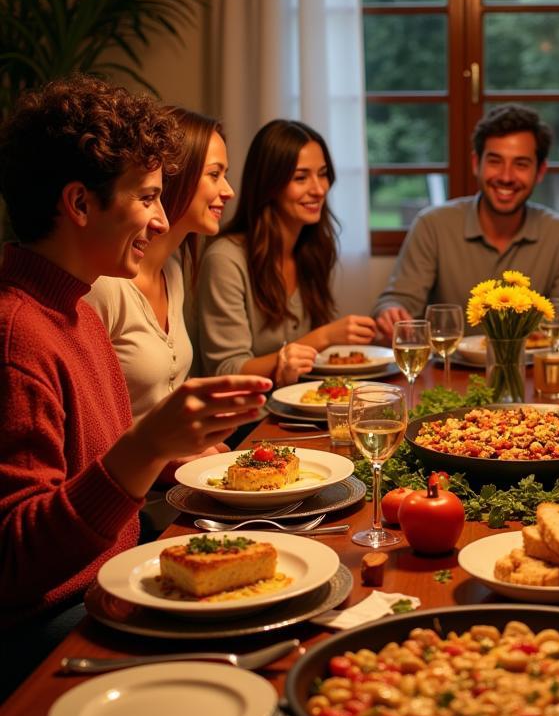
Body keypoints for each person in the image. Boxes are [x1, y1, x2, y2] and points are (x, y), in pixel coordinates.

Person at [0, 76, 270, 646]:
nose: (162, 220)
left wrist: (169, 451)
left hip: (116, 575)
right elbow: (14, 563)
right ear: (78, 203)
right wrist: (148, 446)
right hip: (57, 621)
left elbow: (95, 464)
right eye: (146, 197)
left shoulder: (76, 308)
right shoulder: (17, 336)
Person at [372, 104, 559, 338]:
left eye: (521, 164)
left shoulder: (558, 232)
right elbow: (398, 301)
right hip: (448, 370)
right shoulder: (433, 225)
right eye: (495, 161)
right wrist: (390, 312)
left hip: (528, 372)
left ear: (540, 171)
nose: (506, 177)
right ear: (477, 163)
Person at [196, 119, 377, 386]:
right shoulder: (226, 259)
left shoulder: (311, 248)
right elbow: (226, 370)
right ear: (270, 184)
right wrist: (324, 337)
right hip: (247, 421)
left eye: (323, 173)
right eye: (300, 178)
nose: (318, 189)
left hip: (300, 406)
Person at [86, 108, 234, 419]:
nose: (228, 190)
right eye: (214, 174)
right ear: (177, 176)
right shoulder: (105, 285)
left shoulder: (173, 269)